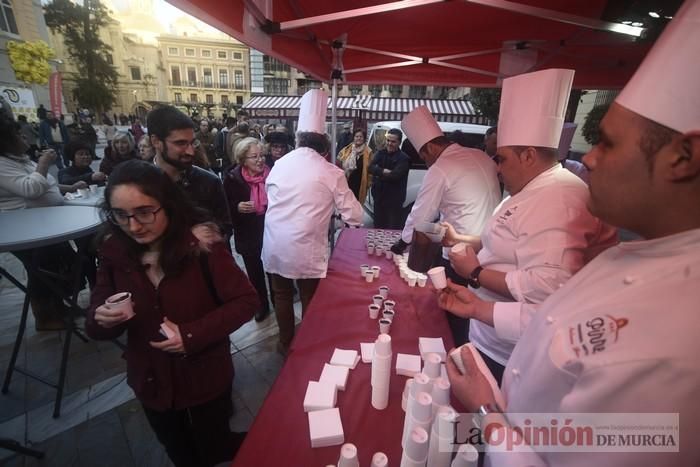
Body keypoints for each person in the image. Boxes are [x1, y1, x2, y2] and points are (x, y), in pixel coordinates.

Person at [445, 3, 700, 466]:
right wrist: (481, 307)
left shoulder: (683, 344)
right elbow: (556, 321)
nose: (591, 160)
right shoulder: (632, 258)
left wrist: (486, 411)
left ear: (683, 158)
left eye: (608, 142)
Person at [440, 69, 617, 380]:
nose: (496, 169)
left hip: (514, 353)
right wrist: (463, 240)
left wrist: (476, 273)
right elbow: (502, 242)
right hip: (490, 331)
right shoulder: (530, 190)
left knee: (493, 425)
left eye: (502, 158)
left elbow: (550, 283)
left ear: (528, 156)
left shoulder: (560, 197)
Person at [86, 160, 258, 467]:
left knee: (214, 447)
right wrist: (103, 318)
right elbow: (96, 322)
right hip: (151, 381)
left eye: (144, 212)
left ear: (168, 205)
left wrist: (191, 334)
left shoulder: (202, 248)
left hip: (205, 377)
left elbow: (246, 301)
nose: (134, 225)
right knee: (179, 452)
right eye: (121, 215)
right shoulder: (113, 252)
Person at [262, 89, 363, 355]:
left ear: (298, 140)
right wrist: (334, 211)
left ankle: (285, 344)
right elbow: (356, 215)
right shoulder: (330, 171)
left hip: (274, 244)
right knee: (309, 297)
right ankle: (305, 349)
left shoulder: (279, 164)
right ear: (323, 145)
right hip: (304, 247)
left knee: (281, 296)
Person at [0, 110, 86, 330]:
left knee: (59, 263)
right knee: (41, 268)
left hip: (46, 223)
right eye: (20, 136)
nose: (26, 138)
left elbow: (47, 185)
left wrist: (70, 188)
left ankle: (58, 306)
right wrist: (44, 163)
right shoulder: (2, 165)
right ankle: (45, 317)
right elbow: (30, 188)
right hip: (25, 229)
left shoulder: (18, 159)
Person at [147, 105, 232, 239]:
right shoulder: (138, 184)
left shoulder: (210, 182)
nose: (190, 151)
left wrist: (209, 234)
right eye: (181, 143)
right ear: (156, 141)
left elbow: (225, 229)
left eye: (192, 143)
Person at [224, 137, 271, 322]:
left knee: (273, 271)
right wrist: (236, 207)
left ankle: (278, 301)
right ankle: (261, 305)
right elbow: (223, 206)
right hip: (247, 234)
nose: (260, 160)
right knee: (255, 273)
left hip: (270, 233)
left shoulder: (273, 175)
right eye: (254, 157)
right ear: (243, 159)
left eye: (262, 156)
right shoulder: (232, 179)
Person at [368, 128, 410, 228]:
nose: (389, 143)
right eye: (388, 140)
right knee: (378, 227)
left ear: (399, 142)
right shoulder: (380, 153)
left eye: (393, 141)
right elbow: (370, 168)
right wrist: (383, 171)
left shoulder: (404, 158)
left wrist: (378, 173)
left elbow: (395, 176)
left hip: (393, 202)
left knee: (391, 230)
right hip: (379, 199)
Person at [337, 128, 372, 205]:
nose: (358, 138)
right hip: (346, 181)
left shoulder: (368, 152)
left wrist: (369, 183)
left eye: (361, 136)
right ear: (353, 138)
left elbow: (370, 170)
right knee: (346, 204)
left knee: (356, 204)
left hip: (359, 183)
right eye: (356, 136)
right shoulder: (347, 149)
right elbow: (338, 160)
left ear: (364, 138)